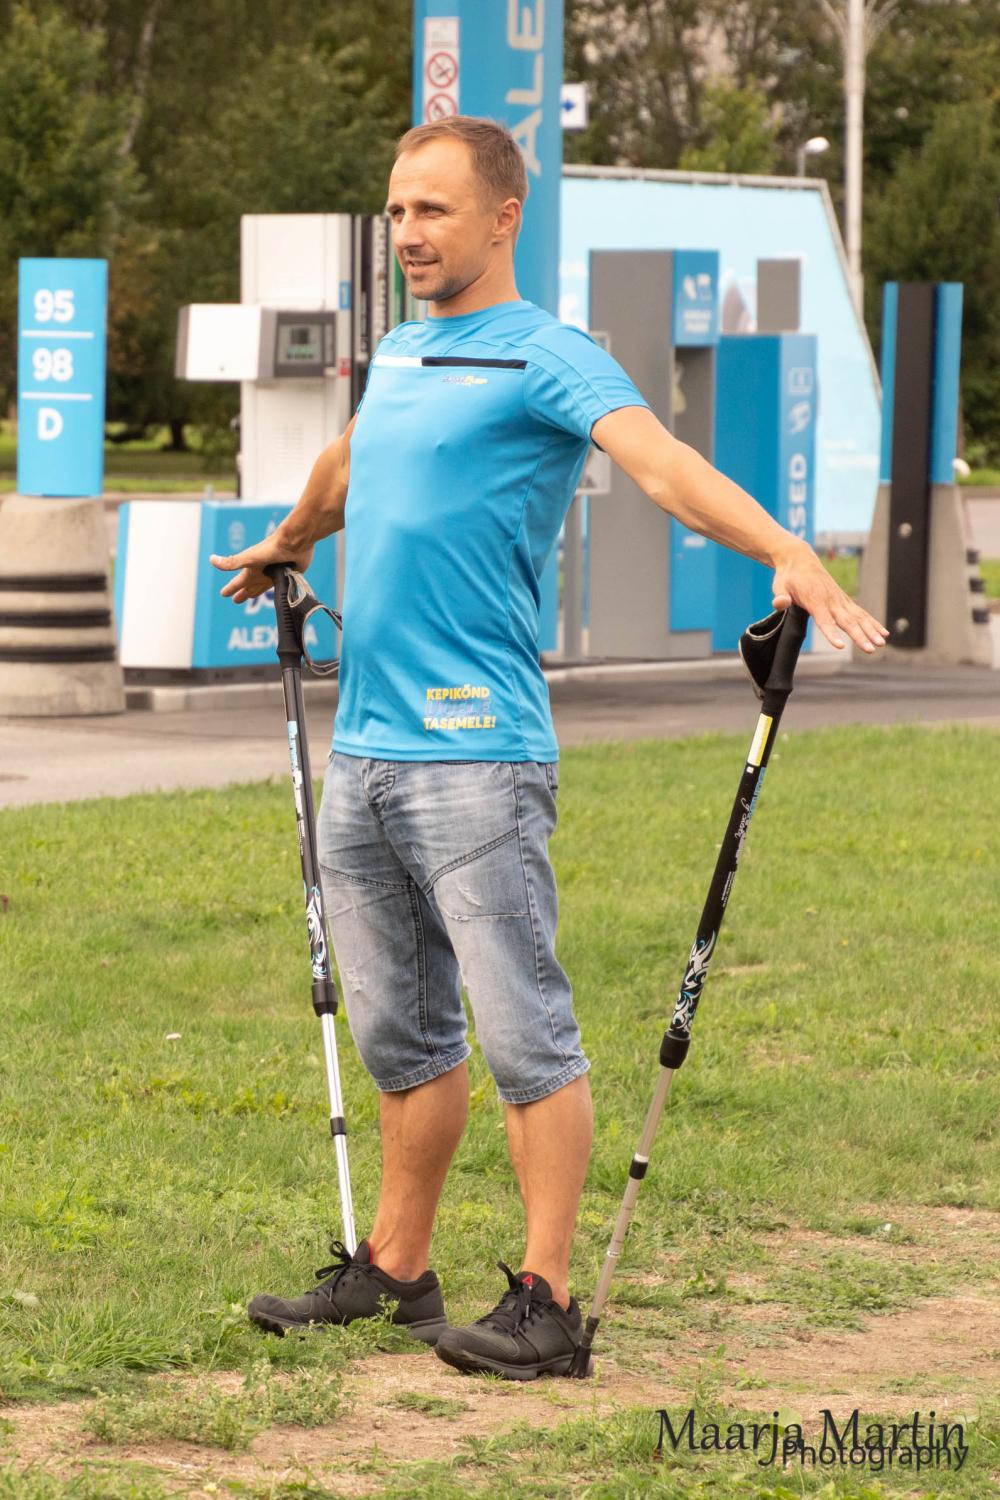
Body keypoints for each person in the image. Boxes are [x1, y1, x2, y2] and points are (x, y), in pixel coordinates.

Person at [211, 116, 888, 1382]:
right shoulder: (404, 351)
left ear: (502, 217)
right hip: (365, 754)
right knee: (402, 1038)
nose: (408, 233)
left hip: (477, 757)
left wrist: (783, 549)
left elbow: (663, 466)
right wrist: (290, 538)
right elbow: (353, 462)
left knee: (525, 1036)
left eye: (432, 210)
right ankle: (397, 1270)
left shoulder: (549, 356)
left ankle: (548, 1302)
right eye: (396, 211)